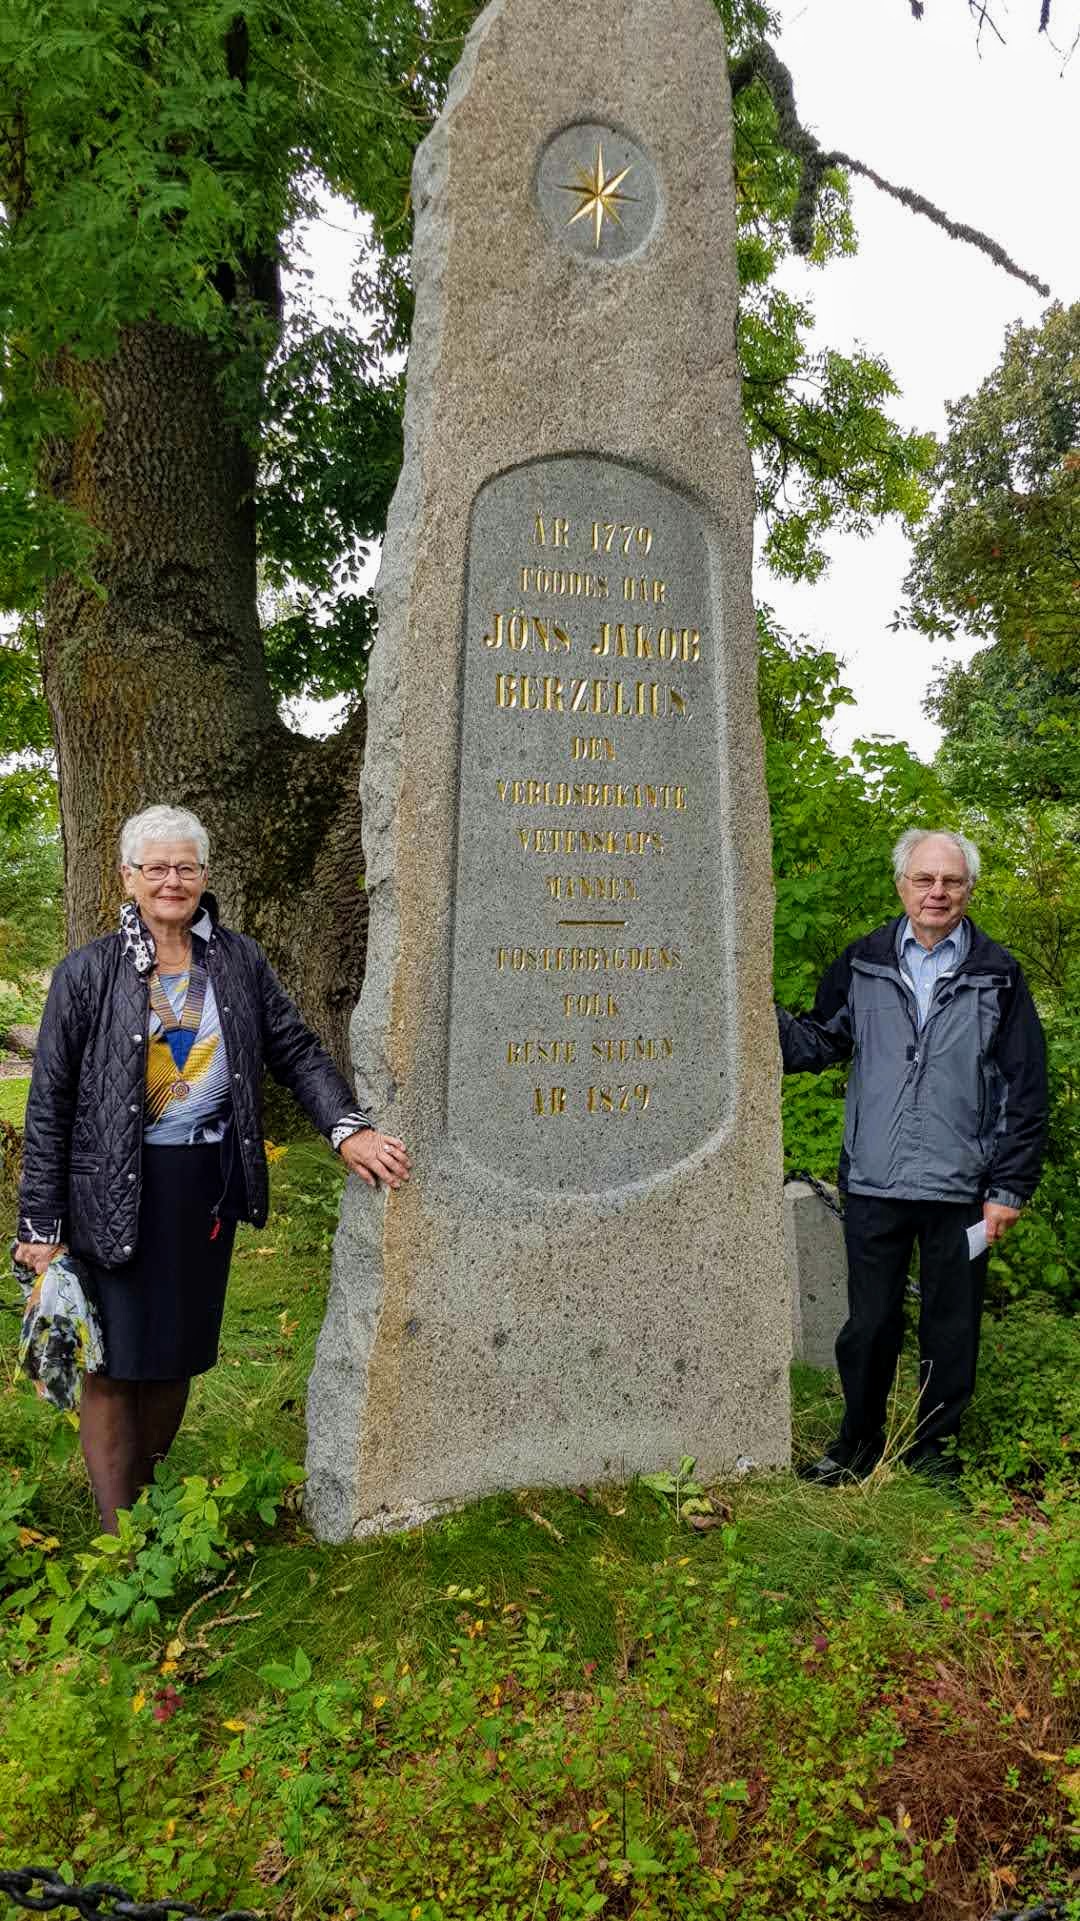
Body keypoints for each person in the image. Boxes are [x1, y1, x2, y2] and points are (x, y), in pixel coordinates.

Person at [14, 804, 411, 1530]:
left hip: (201, 1191)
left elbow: (294, 1049)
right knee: (108, 1358)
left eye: (185, 867)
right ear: (129, 877)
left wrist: (346, 1128)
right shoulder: (88, 972)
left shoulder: (237, 960)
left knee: (174, 1353)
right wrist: (40, 1222)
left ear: (203, 876)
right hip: (107, 1191)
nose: (172, 880)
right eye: (156, 867)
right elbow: (50, 1103)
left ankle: (149, 1494)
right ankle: (119, 1535)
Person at [778, 829, 1047, 1484]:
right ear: (901, 884)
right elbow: (819, 1039)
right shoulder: (865, 961)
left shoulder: (998, 973)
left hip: (964, 1188)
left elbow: (1026, 1087)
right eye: (924, 879)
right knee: (868, 1325)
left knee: (950, 1330)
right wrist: (748, 1013)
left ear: (968, 889)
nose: (937, 892)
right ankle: (856, 1447)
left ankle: (930, 1457)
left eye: (951, 881)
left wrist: (1007, 1188)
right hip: (876, 1179)